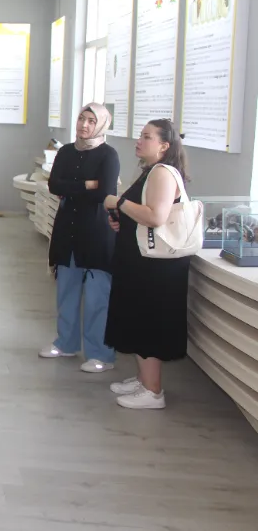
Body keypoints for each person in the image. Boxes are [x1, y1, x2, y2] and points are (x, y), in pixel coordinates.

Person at [103, 119, 192, 410]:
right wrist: (124, 220)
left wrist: (118, 203)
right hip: (141, 262)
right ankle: (144, 380)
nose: (139, 141)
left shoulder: (163, 173)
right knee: (137, 320)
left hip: (154, 268)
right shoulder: (151, 171)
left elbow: (156, 217)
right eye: (140, 135)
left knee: (147, 324)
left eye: (147, 137)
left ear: (164, 146)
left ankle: (153, 392)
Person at [40, 104, 120, 373]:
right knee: (67, 291)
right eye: (81, 118)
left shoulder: (109, 155)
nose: (84, 125)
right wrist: (87, 184)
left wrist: (73, 188)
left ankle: (101, 354)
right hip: (68, 230)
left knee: (98, 298)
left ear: (101, 125)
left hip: (97, 233)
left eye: (91, 121)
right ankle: (65, 342)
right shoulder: (66, 151)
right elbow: (54, 185)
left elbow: (105, 192)